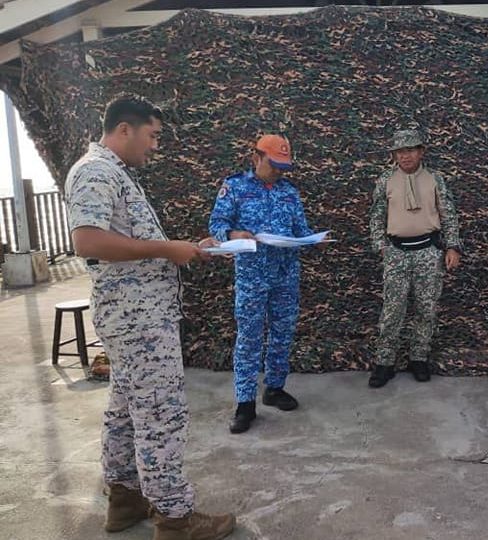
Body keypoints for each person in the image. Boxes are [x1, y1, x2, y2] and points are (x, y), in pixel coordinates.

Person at [65, 94, 235, 539]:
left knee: (125, 411)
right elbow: (87, 241)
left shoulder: (114, 172)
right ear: (125, 129)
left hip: (134, 317)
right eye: (153, 136)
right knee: (161, 416)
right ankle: (176, 519)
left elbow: (128, 241)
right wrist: (166, 249)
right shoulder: (96, 171)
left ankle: (124, 500)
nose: (156, 146)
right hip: (138, 322)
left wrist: (187, 248)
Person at [209, 134, 315, 434]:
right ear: (256, 157)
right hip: (252, 276)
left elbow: (301, 230)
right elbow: (216, 224)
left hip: (286, 274)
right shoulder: (235, 187)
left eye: (284, 167)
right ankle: (245, 403)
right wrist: (233, 234)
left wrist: (312, 239)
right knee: (249, 338)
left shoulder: (289, 192)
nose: (279, 171)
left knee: (283, 332)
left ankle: (274, 388)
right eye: (274, 165)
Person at [368, 128, 462, 388]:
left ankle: (418, 358)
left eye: (410, 150)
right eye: (399, 151)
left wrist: (452, 247)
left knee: (426, 308)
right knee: (392, 310)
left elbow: (448, 214)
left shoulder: (434, 179)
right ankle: (384, 363)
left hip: (428, 252)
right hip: (396, 253)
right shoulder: (386, 179)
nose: (405, 156)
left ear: (421, 152)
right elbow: (377, 215)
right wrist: (381, 247)